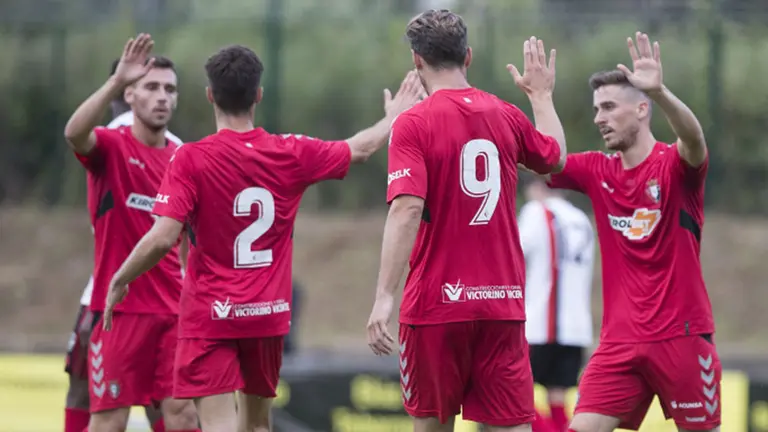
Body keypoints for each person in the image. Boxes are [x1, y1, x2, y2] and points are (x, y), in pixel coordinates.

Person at [100, 44, 424, 432]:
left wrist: (120, 278)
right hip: (266, 316)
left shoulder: (189, 158)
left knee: (218, 424)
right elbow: (361, 148)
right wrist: (393, 116)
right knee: (256, 425)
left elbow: (162, 238)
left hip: (212, 316)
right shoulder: (290, 151)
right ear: (258, 95)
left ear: (210, 95)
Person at [366, 9, 568, 432]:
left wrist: (384, 296)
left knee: (432, 426)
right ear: (468, 56)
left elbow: (406, 209)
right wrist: (541, 96)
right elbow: (555, 158)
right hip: (501, 304)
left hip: (437, 305)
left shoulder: (413, 123)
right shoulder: (507, 114)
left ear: (417, 60)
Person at [545, 33, 718, 432]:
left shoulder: (674, 167)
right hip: (619, 344)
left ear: (642, 109)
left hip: (682, 338)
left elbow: (694, 140)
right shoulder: (597, 170)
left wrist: (660, 92)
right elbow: (545, 159)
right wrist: (540, 97)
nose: (598, 118)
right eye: (596, 109)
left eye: (608, 107)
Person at [63, 34, 198, 432]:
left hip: (174, 311)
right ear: (130, 95)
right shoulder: (110, 146)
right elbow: (74, 134)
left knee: (184, 415)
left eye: (170, 89)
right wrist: (115, 81)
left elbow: (191, 235)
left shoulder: (183, 158)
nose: (162, 97)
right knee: (110, 420)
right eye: (151, 87)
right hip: (118, 311)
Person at [518, 175, 595, 432]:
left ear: (538, 186)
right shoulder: (581, 220)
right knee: (558, 396)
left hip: (541, 322)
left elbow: (514, 252)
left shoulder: (536, 212)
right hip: (576, 326)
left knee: (507, 394)